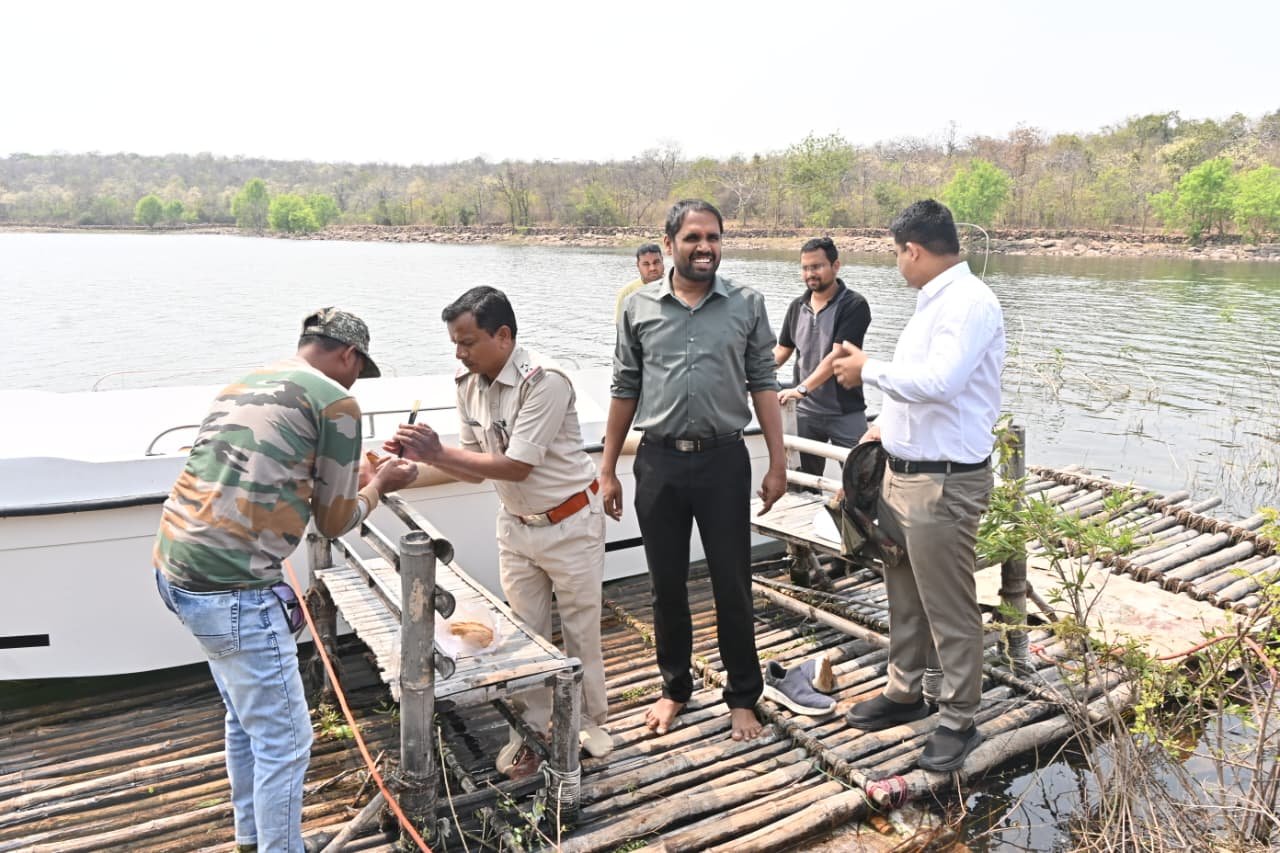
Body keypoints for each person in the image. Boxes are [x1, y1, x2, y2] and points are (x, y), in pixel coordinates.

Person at [153, 308, 418, 853]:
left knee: (246, 721)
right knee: (288, 742)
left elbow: (278, 468)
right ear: (349, 356)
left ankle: (254, 838)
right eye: (357, 369)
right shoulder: (335, 401)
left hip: (175, 570)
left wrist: (358, 476)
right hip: (234, 591)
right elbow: (336, 521)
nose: (354, 381)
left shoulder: (246, 382)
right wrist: (383, 482)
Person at [386, 286, 612, 779]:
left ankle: (590, 724)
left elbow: (516, 465)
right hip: (516, 526)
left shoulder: (545, 382)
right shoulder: (467, 385)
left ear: (503, 336)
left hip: (570, 522)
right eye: (455, 343)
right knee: (524, 636)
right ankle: (530, 735)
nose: (459, 353)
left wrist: (434, 452)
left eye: (467, 342)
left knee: (579, 630)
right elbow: (476, 469)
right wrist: (409, 464)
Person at [601, 199, 788, 742]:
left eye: (713, 237)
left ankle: (742, 698)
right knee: (666, 584)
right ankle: (674, 687)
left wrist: (777, 462)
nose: (704, 247)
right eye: (692, 238)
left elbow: (764, 385)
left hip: (724, 459)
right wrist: (609, 468)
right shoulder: (637, 308)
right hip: (657, 461)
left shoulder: (747, 304)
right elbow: (624, 389)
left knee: (733, 582)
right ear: (669, 244)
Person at [831, 199, 1006, 773]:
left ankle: (958, 717)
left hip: (943, 483)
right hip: (902, 475)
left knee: (948, 604)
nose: (897, 265)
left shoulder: (969, 302)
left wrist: (869, 370)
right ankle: (905, 691)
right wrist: (881, 426)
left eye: (897, 254)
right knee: (903, 593)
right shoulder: (934, 303)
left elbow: (941, 383)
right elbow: (918, 394)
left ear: (913, 249)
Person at [774, 236, 872, 478]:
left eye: (817, 266)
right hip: (806, 413)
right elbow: (782, 351)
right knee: (804, 481)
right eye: (805, 268)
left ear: (835, 266)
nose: (810, 274)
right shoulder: (797, 306)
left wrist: (802, 389)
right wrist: (748, 371)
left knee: (861, 480)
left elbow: (837, 354)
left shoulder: (854, 305)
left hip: (845, 412)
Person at [614, 242, 665, 321]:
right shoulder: (627, 293)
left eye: (656, 262)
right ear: (638, 265)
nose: (652, 268)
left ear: (662, 260)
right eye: (646, 264)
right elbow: (621, 329)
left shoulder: (676, 288)